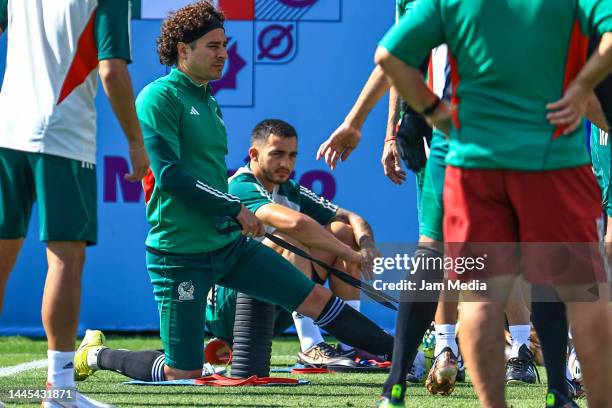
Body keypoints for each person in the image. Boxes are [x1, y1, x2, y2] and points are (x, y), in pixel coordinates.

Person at [73, 1, 394, 384]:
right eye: (213, 45)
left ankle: (405, 357)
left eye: (225, 44)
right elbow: (170, 176)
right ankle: (96, 354)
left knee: (315, 298)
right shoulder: (157, 97)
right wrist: (234, 207)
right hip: (180, 254)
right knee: (183, 370)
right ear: (182, 49)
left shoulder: (208, 101)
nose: (224, 53)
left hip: (229, 246)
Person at [374, 1, 612, 408]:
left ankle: (412, 386)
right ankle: (561, 391)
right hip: (552, 158)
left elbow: (388, 56)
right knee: (578, 283)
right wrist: (581, 87)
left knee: (475, 287)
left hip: (474, 160)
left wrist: (425, 112)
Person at [0, 1, 150, 407]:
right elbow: (111, 70)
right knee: (66, 259)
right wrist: (137, 143)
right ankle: (60, 389)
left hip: (6, 130)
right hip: (63, 137)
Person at [206, 118, 381, 368]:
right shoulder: (240, 186)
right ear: (254, 155)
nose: (286, 163)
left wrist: (366, 246)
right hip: (228, 310)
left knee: (342, 231)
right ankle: (310, 345)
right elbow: (295, 225)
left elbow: (352, 218)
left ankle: (352, 345)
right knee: (287, 237)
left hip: (271, 300)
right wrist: (350, 255)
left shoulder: (289, 189)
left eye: (292, 155)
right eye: (277, 154)